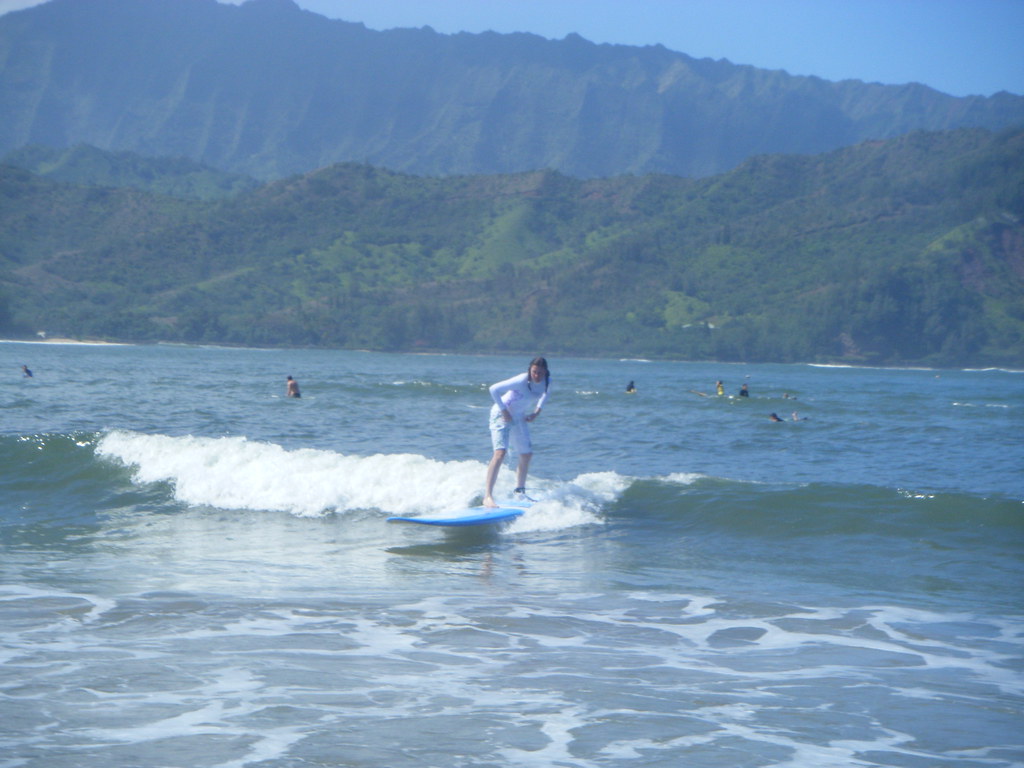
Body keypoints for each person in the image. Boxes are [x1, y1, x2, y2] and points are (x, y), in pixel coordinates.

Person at [483, 356, 551, 507]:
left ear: (546, 372)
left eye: (540, 372)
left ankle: (520, 492)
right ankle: (487, 496)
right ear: (530, 370)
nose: (537, 375)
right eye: (534, 372)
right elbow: (493, 389)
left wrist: (536, 413)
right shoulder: (521, 380)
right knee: (500, 453)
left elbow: (546, 394)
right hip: (501, 414)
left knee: (526, 454)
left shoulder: (547, 381)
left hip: (518, 416)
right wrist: (504, 410)